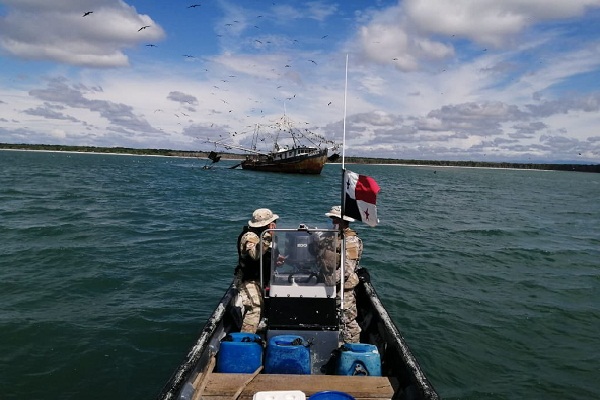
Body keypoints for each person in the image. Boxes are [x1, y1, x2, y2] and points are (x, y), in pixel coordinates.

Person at [234, 208, 279, 333]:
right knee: (255, 308)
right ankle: (245, 340)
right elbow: (255, 255)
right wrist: (268, 236)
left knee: (264, 306)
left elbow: (266, 255)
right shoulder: (250, 237)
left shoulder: (263, 236)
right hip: (248, 279)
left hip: (260, 277)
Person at [325, 205, 363, 344]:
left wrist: (327, 280)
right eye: (332, 219)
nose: (332, 222)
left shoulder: (350, 241)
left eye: (335, 219)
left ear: (343, 221)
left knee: (347, 321)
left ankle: (352, 348)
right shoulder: (332, 235)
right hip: (329, 283)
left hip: (342, 288)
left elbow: (346, 270)